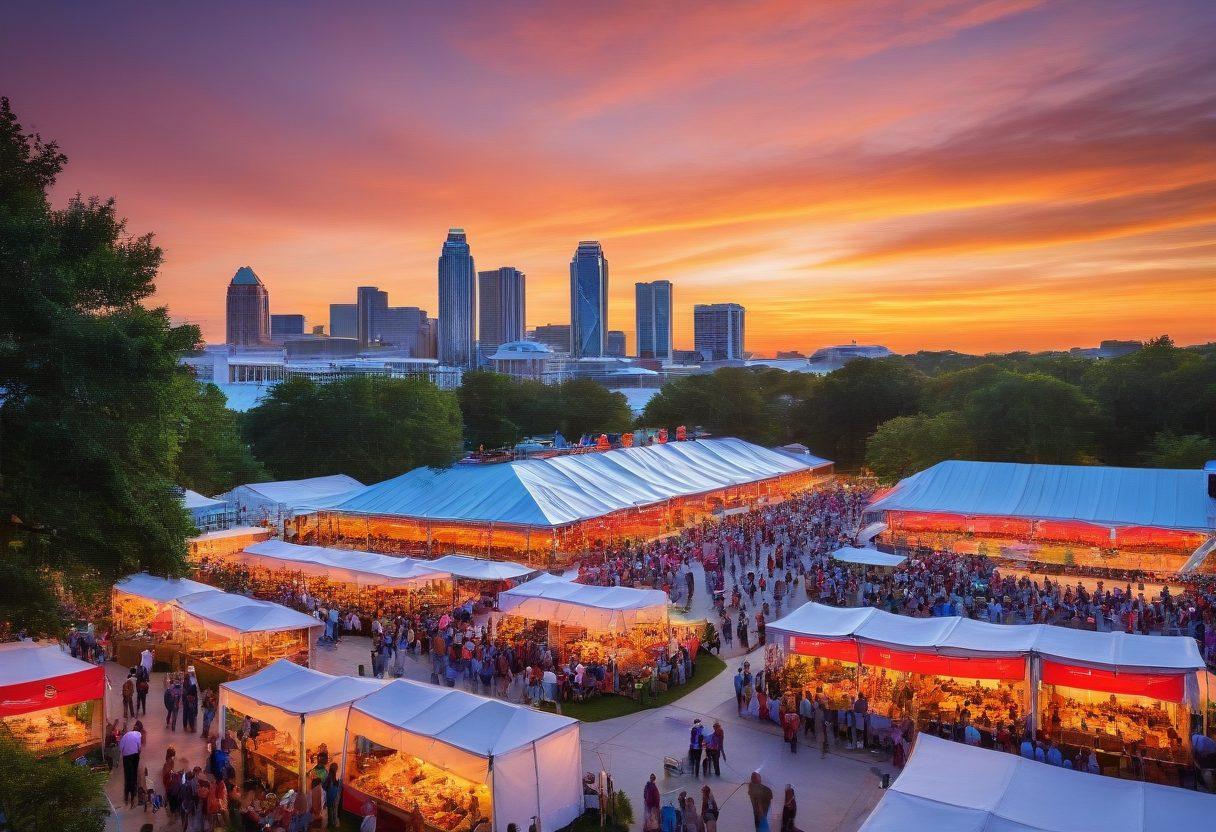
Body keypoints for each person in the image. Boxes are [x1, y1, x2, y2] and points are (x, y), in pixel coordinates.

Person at [120, 723, 143, 808]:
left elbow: (121, 747)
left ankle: (126, 796)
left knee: (127, 775)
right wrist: (138, 753)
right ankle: (133, 796)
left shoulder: (126, 735)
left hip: (126, 757)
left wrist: (124, 754)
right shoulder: (138, 735)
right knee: (134, 775)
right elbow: (139, 747)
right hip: (134, 756)